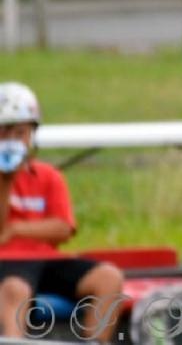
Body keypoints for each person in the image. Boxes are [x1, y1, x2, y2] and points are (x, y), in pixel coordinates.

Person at [0, 83, 123, 342]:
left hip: (45, 259)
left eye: (19, 133)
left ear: (31, 135)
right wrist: (6, 182)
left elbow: (62, 229)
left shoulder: (48, 177)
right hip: (6, 262)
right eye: (4, 133)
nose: (12, 141)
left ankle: (96, 342)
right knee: (15, 290)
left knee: (109, 278)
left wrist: (17, 228)